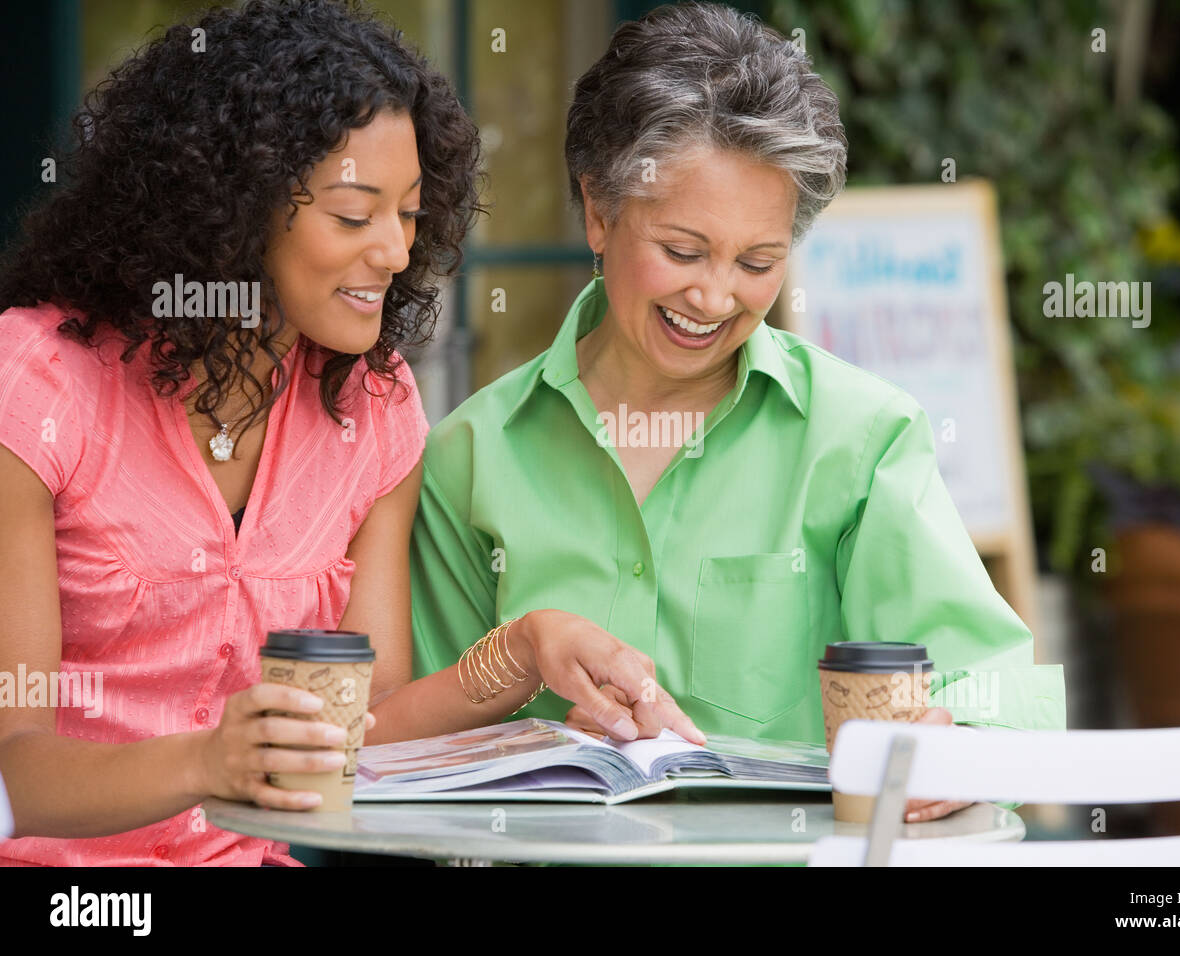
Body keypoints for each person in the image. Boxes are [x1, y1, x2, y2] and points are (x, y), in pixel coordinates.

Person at [0, 0, 698, 868]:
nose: (398, 252)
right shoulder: (33, 391)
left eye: (408, 213)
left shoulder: (372, 409)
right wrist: (207, 761)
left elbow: (367, 734)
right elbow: (11, 772)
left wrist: (522, 652)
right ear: (232, 209)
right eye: (354, 213)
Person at [409, 2, 1066, 824]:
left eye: (758, 262)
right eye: (682, 252)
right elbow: (417, 756)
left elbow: (995, 682)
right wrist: (532, 742)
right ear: (598, 211)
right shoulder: (471, 456)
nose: (715, 297)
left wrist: (961, 742)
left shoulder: (861, 439)